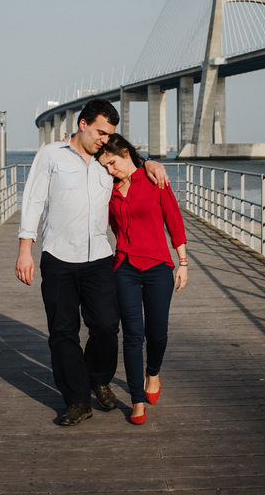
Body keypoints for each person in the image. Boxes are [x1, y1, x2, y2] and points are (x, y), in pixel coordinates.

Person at [15, 99, 168, 426]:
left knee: (106, 326)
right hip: (58, 256)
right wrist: (25, 250)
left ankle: (99, 379)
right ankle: (77, 401)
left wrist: (152, 163)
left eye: (109, 134)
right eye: (100, 132)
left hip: (99, 257)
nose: (104, 139)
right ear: (82, 124)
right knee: (63, 332)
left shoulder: (104, 161)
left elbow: (130, 165)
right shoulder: (51, 155)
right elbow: (33, 200)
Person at [96, 133, 187, 425]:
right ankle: (137, 400)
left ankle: (153, 372)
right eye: (105, 166)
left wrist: (183, 262)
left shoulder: (154, 180)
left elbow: (174, 219)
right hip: (124, 268)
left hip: (158, 267)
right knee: (133, 336)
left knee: (157, 333)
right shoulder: (108, 190)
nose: (110, 170)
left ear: (125, 154)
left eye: (112, 163)